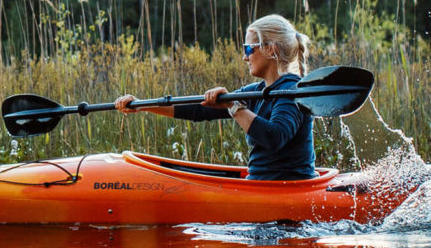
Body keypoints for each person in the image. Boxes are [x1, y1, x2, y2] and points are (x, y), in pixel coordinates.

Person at [113, 14, 318, 180]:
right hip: (260, 184)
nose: (245, 57)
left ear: (269, 49)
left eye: (248, 49)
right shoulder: (255, 91)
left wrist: (235, 108)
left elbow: (274, 137)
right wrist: (142, 105)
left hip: (288, 188)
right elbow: (198, 110)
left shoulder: (292, 91)